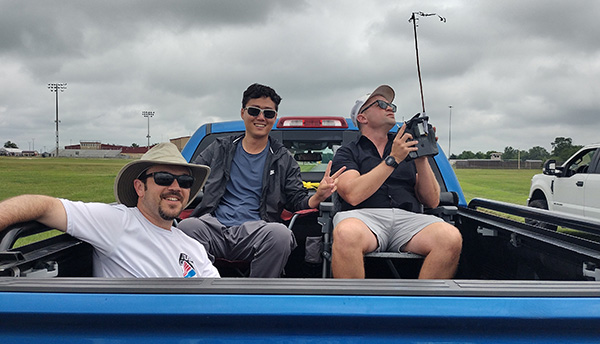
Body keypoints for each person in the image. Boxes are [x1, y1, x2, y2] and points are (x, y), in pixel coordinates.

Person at [178, 83, 344, 278]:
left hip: (257, 230)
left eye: (268, 113)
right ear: (243, 112)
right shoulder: (219, 148)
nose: (261, 117)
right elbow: (187, 178)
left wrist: (318, 195)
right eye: (254, 110)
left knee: (280, 235)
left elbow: (297, 200)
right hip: (214, 226)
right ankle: (198, 297)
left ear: (274, 118)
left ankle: (256, 299)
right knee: (186, 227)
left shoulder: (283, 158)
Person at [0, 142, 220, 278]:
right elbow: (44, 206)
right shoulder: (117, 222)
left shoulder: (193, 247)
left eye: (184, 181)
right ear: (139, 187)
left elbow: (218, 298)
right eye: (164, 178)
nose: (175, 187)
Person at [330, 85, 462, 279]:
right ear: (362, 117)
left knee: (450, 237)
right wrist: (393, 160)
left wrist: (421, 156)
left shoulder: (406, 146)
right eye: (381, 104)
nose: (389, 107)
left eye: (391, 104)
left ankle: (420, 306)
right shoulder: (348, 152)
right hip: (363, 219)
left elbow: (432, 201)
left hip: (409, 219)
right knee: (346, 233)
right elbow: (353, 194)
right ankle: (353, 307)